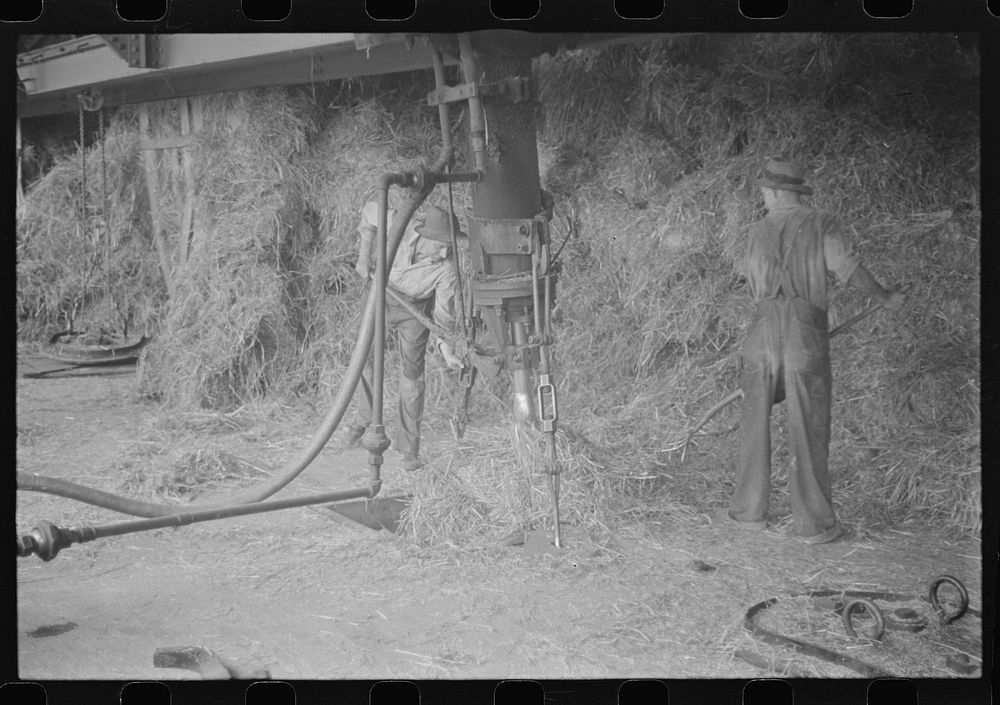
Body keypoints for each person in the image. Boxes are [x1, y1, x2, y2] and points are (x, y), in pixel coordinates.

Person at [719, 158, 905, 544]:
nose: (763, 198)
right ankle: (813, 525)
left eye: (764, 192)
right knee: (809, 426)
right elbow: (848, 269)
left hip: (760, 334)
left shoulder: (756, 231)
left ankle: (748, 514)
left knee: (754, 425)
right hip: (804, 334)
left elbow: (753, 281)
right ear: (797, 192)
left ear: (773, 193)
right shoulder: (822, 222)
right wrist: (884, 296)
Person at [346, 201, 466, 471]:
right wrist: (364, 256)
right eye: (440, 245)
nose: (446, 252)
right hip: (380, 292)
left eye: (450, 245)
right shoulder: (398, 224)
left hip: (414, 310)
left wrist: (448, 351)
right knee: (364, 359)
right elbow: (367, 211)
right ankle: (364, 419)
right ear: (423, 236)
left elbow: (444, 315)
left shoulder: (447, 270)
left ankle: (409, 448)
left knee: (412, 378)